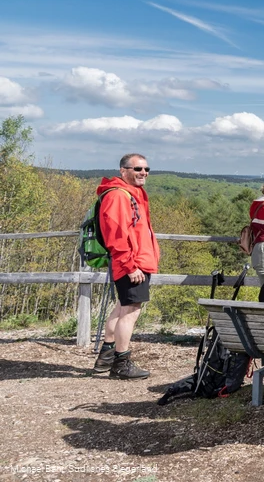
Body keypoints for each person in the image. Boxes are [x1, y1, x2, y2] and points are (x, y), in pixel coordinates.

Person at [92, 153, 160, 380]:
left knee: (122, 307)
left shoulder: (131, 194)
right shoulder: (118, 196)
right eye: (138, 169)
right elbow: (116, 236)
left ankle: (106, 358)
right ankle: (121, 362)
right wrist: (130, 266)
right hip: (131, 264)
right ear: (123, 171)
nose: (144, 173)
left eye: (146, 169)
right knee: (131, 311)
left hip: (134, 262)